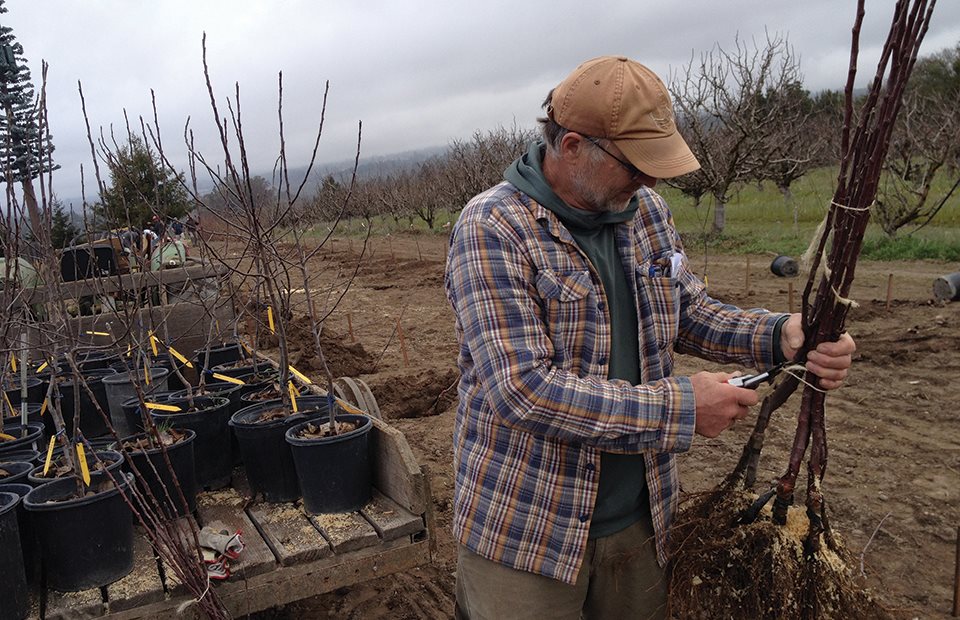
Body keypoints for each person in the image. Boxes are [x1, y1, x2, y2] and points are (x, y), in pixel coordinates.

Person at [443, 56, 856, 620]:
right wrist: (682, 408)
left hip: (642, 521)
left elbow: (685, 310)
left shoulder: (645, 213)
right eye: (635, 165)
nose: (651, 179)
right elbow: (522, 390)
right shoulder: (492, 228)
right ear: (570, 147)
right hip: (526, 532)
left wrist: (779, 336)